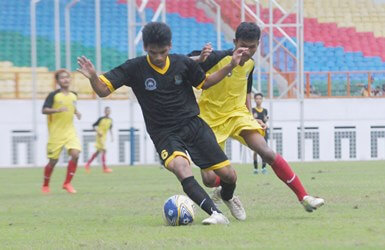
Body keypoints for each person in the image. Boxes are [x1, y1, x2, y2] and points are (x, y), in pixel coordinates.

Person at [77, 22, 249, 225]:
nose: (158, 57)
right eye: (153, 52)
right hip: (164, 133)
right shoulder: (134, 67)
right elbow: (103, 91)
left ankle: (227, 196)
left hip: (193, 125)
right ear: (145, 48)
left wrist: (230, 65)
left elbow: (206, 82)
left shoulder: (182, 63)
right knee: (180, 167)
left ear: (170, 46)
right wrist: (93, 77)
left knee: (228, 175)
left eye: (162, 52)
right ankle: (216, 214)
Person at [190, 22, 325, 213]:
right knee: (210, 179)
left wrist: (251, 116)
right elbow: (183, 62)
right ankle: (226, 192)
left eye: (252, 47)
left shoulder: (251, 64)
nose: (247, 51)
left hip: (237, 115)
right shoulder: (216, 58)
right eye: (243, 46)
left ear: (258, 44)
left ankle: (304, 197)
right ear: (235, 41)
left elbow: (245, 90)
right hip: (209, 120)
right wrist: (199, 57)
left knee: (266, 152)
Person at [41, 69, 82, 194]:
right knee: (53, 161)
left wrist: (77, 112)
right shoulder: (53, 95)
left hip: (70, 131)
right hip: (56, 133)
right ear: (58, 81)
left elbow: (72, 106)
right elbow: (44, 110)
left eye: (67, 77)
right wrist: (57, 110)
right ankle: (45, 185)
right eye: (62, 78)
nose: (65, 79)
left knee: (75, 154)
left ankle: (67, 183)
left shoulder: (74, 95)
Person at [84, 106, 113, 173]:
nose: (108, 112)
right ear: (104, 111)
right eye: (107, 111)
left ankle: (87, 164)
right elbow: (93, 125)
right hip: (99, 136)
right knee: (104, 150)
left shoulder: (110, 120)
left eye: (109, 111)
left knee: (97, 152)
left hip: (104, 137)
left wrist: (112, 136)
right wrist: (98, 132)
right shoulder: (101, 119)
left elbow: (110, 128)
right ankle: (104, 168)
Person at [251, 93, 268, 174]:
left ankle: (264, 167)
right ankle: (255, 168)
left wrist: (266, 120)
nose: (258, 100)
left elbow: (265, 120)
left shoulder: (265, 111)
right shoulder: (252, 110)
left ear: (262, 100)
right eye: (257, 98)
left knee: (264, 150)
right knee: (255, 151)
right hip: (255, 132)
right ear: (254, 100)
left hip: (263, 132)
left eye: (260, 98)